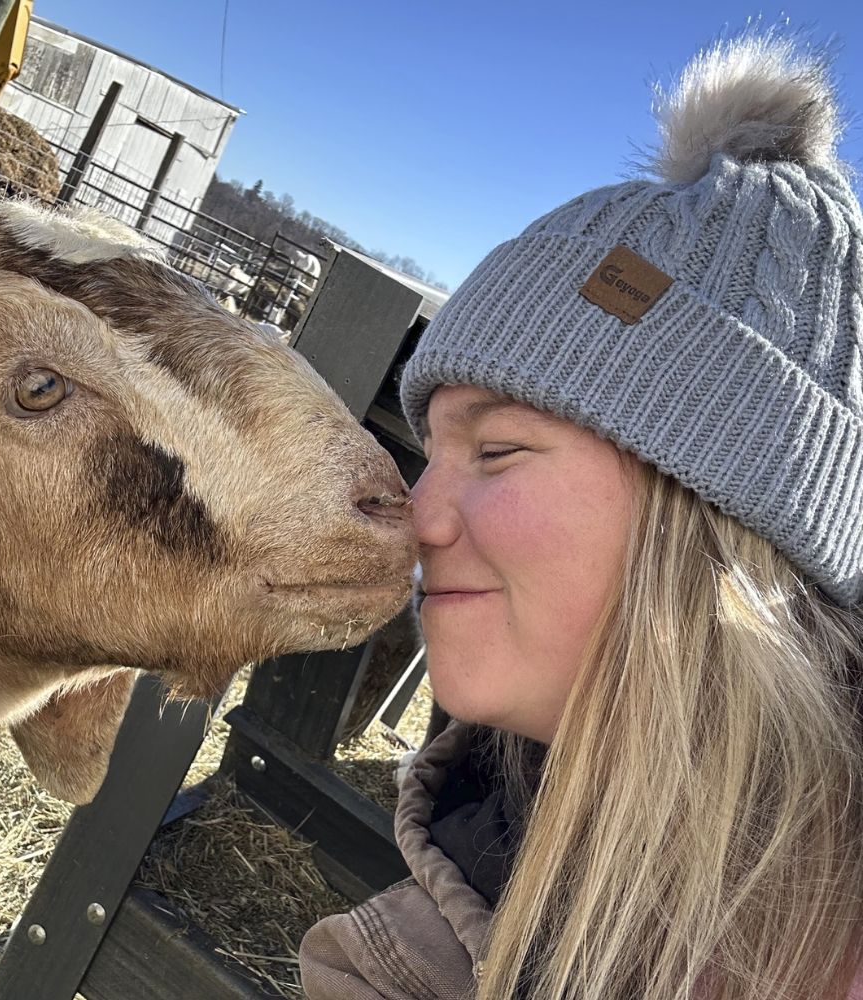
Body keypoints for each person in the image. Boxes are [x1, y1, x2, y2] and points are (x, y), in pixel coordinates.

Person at [299, 29, 863, 1000]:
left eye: (498, 449)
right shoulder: (415, 950)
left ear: (724, 510)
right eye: (429, 451)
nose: (417, 516)